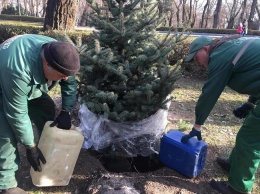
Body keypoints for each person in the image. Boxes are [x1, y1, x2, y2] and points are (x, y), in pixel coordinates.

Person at [0, 34, 80, 194]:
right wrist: (30, 147)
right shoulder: (17, 69)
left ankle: (50, 149)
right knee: (7, 134)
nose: (65, 78)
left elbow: (69, 81)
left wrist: (66, 110)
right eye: (62, 75)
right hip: (5, 84)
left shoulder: (59, 53)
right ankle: (6, 184)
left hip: (25, 81)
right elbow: (17, 114)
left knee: (46, 108)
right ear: (48, 65)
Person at [182, 35, 260, 194]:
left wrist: (198, 124)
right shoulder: (228, 48)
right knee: (248, 130)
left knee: (251, 138)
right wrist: (251, 103)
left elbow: (210, 92)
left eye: (196, 57)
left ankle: (238, 188)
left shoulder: (219, 56)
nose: (197, 62)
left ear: (205, 48)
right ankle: (235, 166)